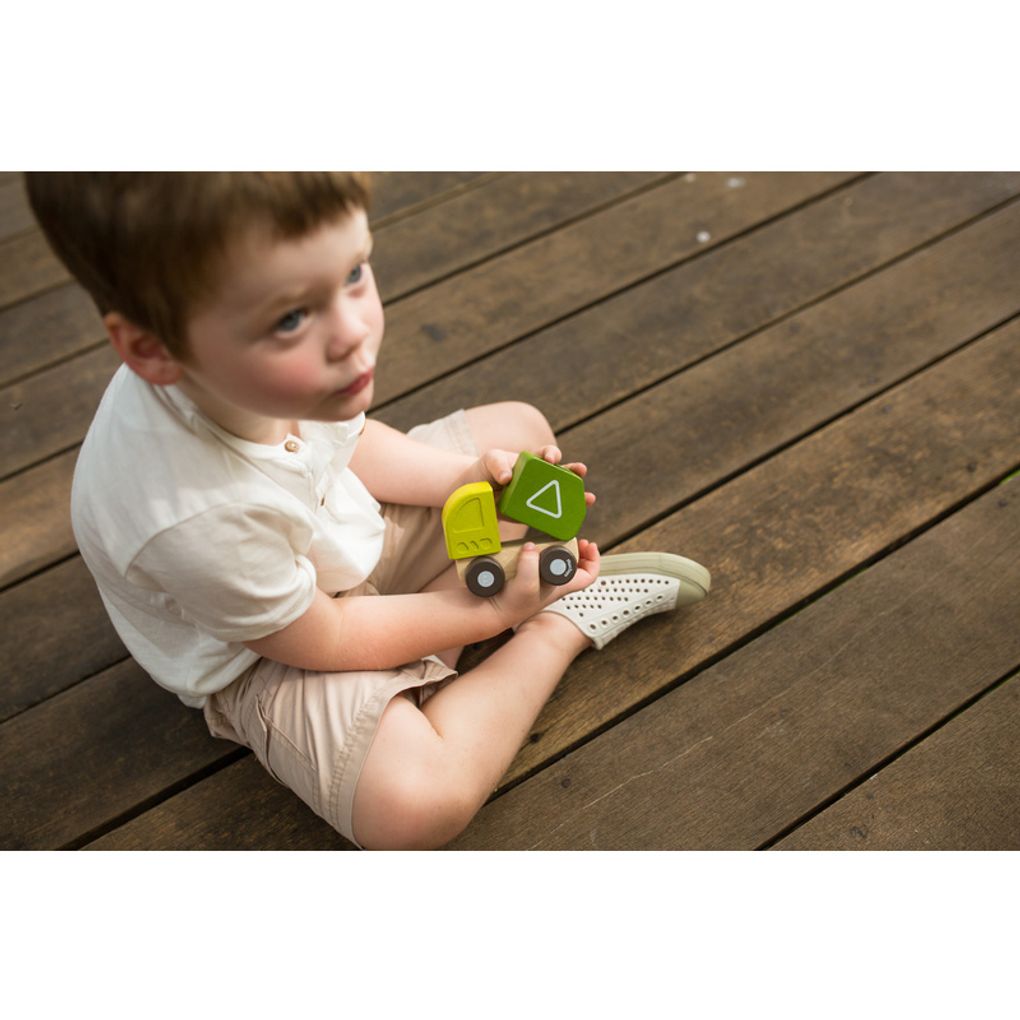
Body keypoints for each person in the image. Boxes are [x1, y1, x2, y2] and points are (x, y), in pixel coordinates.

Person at [26, 172, 710, 849]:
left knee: (521, 434)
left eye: (355, 272)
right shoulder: (188, 516)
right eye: (293, 318)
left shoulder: (244, 369)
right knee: (415, 805)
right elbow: (322, 637)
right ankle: (550, 629)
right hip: (271, 653)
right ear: (154, 349)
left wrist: (463, 481)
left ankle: (428, 658)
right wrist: (492, 612)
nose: (354, 333)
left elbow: (347, 447)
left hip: (340, 540)